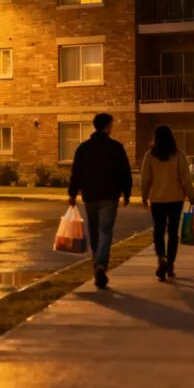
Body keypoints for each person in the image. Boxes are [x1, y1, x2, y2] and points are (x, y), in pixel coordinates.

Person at [68, 113, 133, 289]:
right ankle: (101, 265)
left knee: (94, 231)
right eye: (111, 124)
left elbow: (76, 173)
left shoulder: (84, 148)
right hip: (109, 196)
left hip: (90, 196)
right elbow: (124, 172)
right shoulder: (116, 148)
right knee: (105, 231)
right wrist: (126, 193)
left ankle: (97, 262)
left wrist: (72, 194)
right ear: (107, 126)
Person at [141, 125, 194, 282]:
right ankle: (170, 264)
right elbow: (185, 179)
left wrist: (144, 196)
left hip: (157, 199)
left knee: (158, 230)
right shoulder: (178, 155)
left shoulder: (150, 155)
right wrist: (191, 196)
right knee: (173, 232)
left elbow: (145, 179)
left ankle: (161, 258)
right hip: (176, 199)